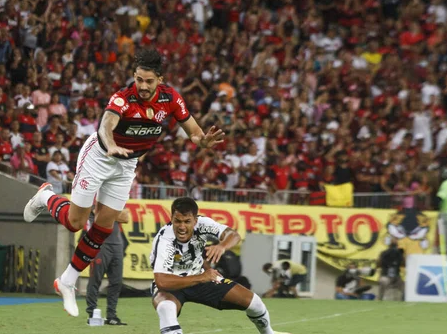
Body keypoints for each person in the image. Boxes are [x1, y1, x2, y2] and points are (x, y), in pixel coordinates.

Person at [23, 49, 224, 317]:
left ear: (160, 80)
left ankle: (67, 281)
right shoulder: (123, 98)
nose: (142, 86)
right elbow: (106, 125)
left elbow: (194, 132)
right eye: (139, 79)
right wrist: (112, 144)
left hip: (128, 163)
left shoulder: (171, 99)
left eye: (149, 81)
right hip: (100, 156)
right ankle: (45, 197)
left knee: (104, 226)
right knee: (75, 222)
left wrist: (203, 141)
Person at [149, 198, 290, 334]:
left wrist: (222, 246)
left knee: (254, 302)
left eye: (187, 222)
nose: (182, 227)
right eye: (177, 221)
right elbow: (162, 281)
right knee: (166, 308)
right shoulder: (165, 240)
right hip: (173, 284)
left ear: (195, 220)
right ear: (171, 218)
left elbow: (233, 235)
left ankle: (269, 333)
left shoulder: (204, 224)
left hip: (200, 278)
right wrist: (202, 276)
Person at [86, 208, 129, 325]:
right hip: (100, 244)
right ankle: (92, 314)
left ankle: (111, 316)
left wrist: (109, 214)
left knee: (117, 282)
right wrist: (115, 214)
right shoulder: (96, 196)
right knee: (95, 279)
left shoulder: (115, 199)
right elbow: (99, 214)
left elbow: (125, 217)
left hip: (117, 245)